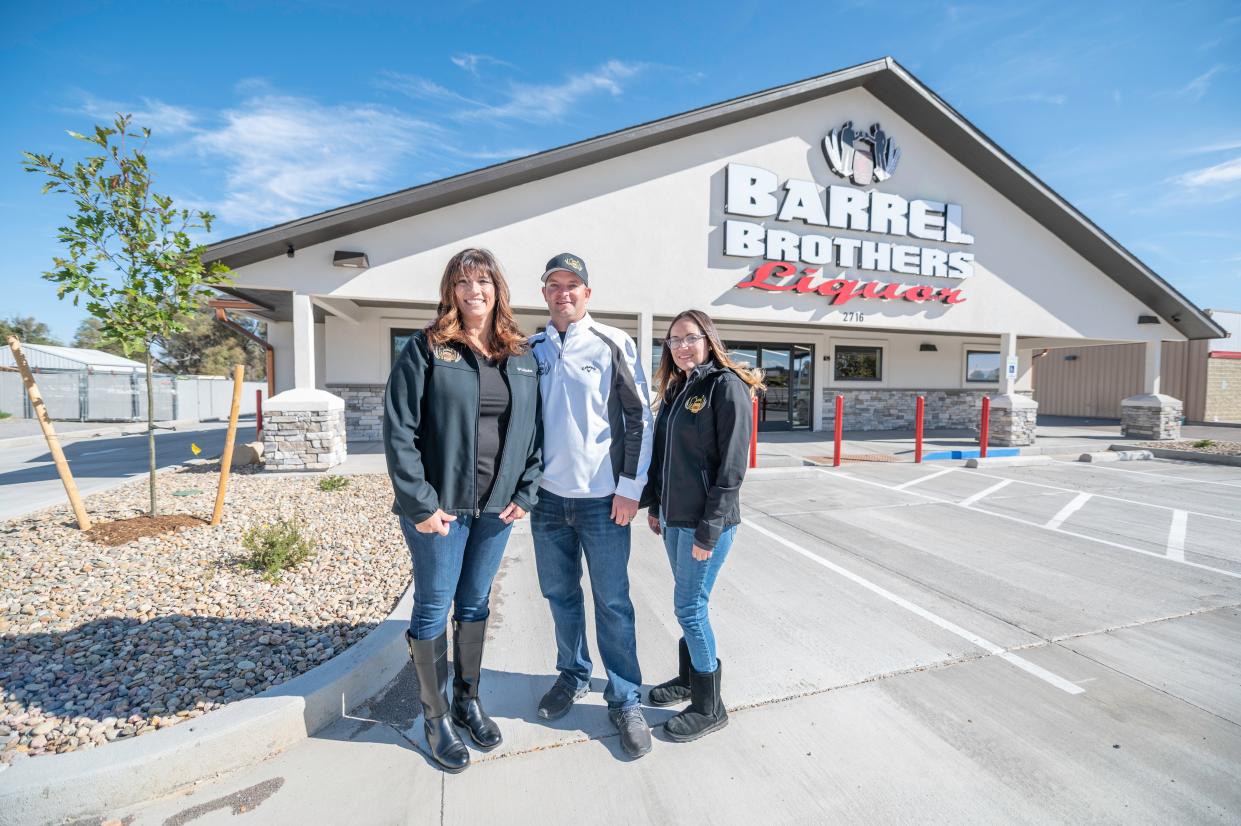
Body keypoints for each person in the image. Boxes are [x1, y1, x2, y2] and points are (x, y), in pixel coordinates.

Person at [383, 248, 543, 773]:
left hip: (497, 509)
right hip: (442, 510)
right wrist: (420, 504)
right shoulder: (427, 348)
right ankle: (434, 719)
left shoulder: (520, 355)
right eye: (463, 282)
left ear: (498, 289)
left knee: (474, 605)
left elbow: (534, 432)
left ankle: (466, 700)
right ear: (451, 290)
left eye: (484, 281)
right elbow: (399, 431)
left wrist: (525, 492)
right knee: (433, 606)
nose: (475, 290)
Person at [528, 252, 655, 759]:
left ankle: (624, 697)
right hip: (547, 502)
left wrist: (631, 486)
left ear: (587, 293)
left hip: (604, 501)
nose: (564, 292)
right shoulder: (531, 348)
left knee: (613, 603)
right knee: (560, 597)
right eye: (554, 285)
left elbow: (641, 416)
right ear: (544, 294)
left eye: (573, 284)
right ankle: (573, 673)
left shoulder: (612, 343)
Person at [641, 309, 763, 742]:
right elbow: (664, 456)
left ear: (708, 340)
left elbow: (731, 469)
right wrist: (655, 505)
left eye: (689, 338)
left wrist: (708, 531)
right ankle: (690, 678)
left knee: (690, 608)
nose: (681, 347)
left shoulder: (726, 387)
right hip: (674, 520)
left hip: (704, 525)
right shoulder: (677, 390)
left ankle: (710, 706)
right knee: (687, 602)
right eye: (673, 340)